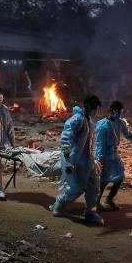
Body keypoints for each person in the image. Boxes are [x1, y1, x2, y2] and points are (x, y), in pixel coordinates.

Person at [50, 94, 104, 225]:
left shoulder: (89, 121)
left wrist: (95, 159)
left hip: (88, 161)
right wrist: (67, 160)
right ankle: (59, 203)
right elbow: (65, 140)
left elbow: (90, 142)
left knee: (94, 187)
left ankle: (90, 212)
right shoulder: (76, 120)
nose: (97, 111)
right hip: (76, 161)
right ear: (89, 107)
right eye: (96, 108)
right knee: (76, 188)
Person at [95, 101, 132, 211]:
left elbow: (127, 134)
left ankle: (109, 199)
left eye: (121, 112)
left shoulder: (120, 123)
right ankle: (96, 202)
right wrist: (100, 159)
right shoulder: (103, 125)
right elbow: (100, 143)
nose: (120, 114)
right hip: (105, 155)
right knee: (103, 180)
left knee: (120, 176)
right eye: (119, 111)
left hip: (113, 154)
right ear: (113, 111)